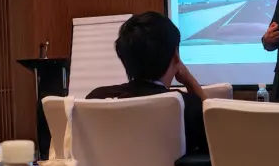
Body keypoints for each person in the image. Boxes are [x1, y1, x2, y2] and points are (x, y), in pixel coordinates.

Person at [86, 11, 209, 155]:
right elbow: (216, 135)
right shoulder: (185, 105)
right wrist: (189, 80)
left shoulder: (95, 98)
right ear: (176, 55)